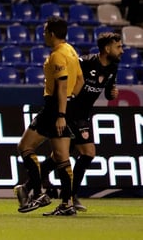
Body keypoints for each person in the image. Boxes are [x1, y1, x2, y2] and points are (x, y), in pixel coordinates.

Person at [39, 32, 122, 212]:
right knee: (87, 152)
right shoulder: (85, 63)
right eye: (118, 46)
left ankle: (31, 183)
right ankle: (69, 196)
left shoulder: (113, 67)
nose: (121, 50)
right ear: (107, 49)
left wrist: (111, 94)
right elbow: (66, 80)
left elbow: (108, 91)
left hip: (83, 115)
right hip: (69, 113)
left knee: (60, 157)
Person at [14, 16, 84, 216]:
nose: (43, 35)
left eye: (45, 31)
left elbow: (61, 86)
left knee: (25, 147)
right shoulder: (71, 50)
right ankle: (67, 204)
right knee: (62, 157)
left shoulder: (57, 55)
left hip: (54, 108)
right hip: (65, 105)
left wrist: (60, 113)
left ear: (52, 33)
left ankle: (38, 193)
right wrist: (70, 102)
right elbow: (79, 79)